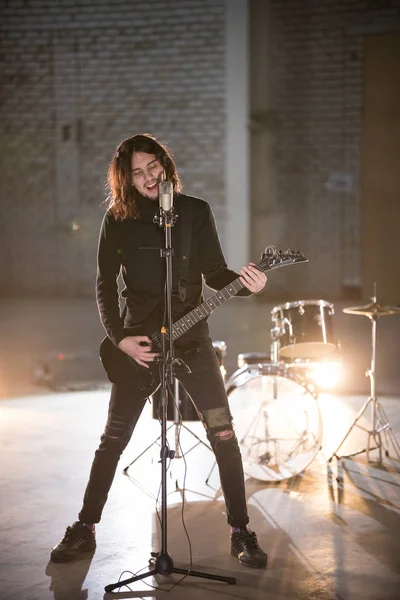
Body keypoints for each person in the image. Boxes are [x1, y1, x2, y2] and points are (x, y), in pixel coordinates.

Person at [51, 133, 268, 569]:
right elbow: (104, 285)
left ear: (166, 166)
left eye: (154, 167)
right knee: (112, 440)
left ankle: (241, 531)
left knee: (223, 434)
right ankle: (85, 528)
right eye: (138, 172)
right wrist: (119, 339)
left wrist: (247, 285)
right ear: (126, 179)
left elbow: (215, 272)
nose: (149, 177)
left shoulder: (194, 212)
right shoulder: (117, 218)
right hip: (139, 344)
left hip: (192, 337)